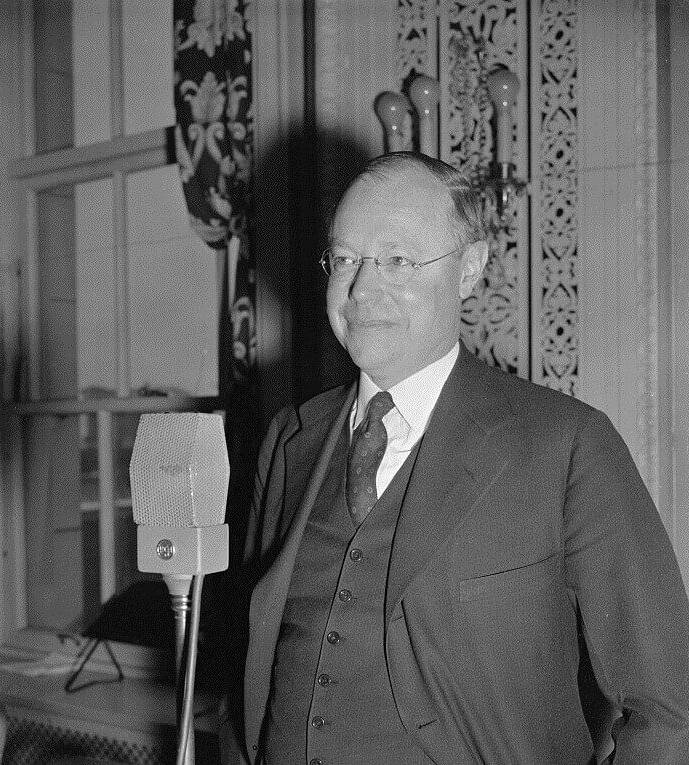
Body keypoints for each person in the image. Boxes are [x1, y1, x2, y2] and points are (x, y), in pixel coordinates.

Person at [227, 152, 689, 764]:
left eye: (398, 259)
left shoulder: (564, 445)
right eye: (345, 260)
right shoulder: (291, 441)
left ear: (469, 267)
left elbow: (666, 707)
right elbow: (247, 676)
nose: (363, 288)